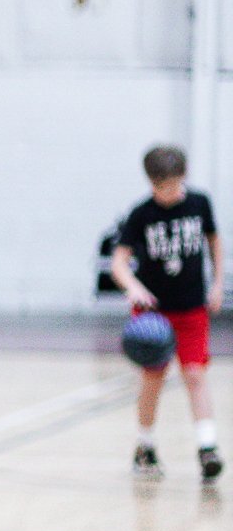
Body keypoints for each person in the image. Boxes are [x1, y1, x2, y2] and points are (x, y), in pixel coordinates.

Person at [111, 144, 224, 482]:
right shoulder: (142, 214)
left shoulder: (199, 204)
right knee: (152, 378)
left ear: (183, 177)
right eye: (161, 186)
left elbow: (214, 241)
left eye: (173, 185)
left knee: (195, 374)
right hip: (154, 315)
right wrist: (132, 286)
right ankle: (145, 447)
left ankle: (207, 448)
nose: (168, 192)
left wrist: (217, 283)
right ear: (151, 182)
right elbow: (119, 263)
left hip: (191, 307)